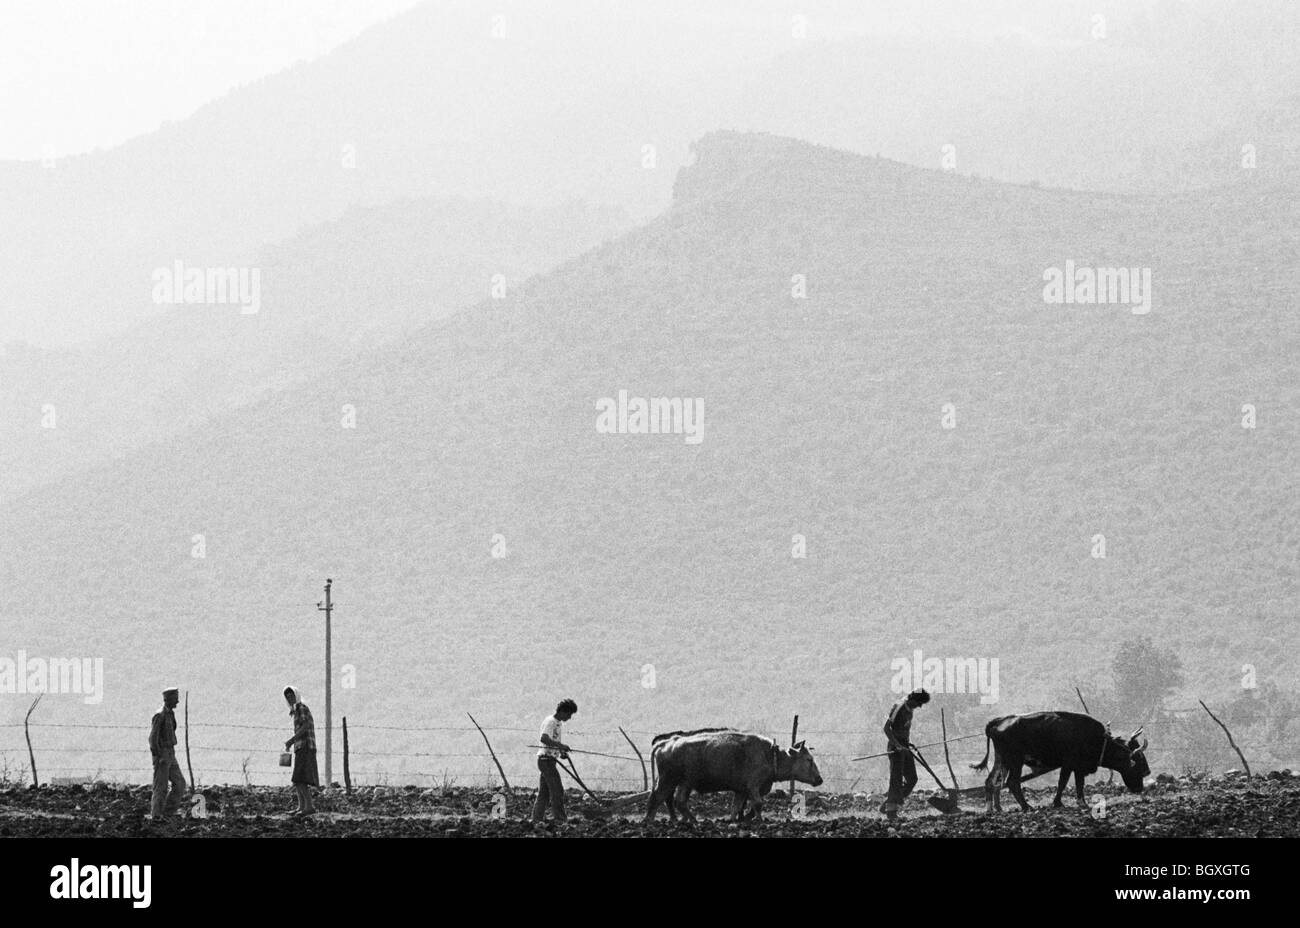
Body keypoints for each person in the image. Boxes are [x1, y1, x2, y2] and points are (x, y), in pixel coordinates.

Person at [881, 688, 930, 821]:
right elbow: (886, 728)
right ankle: (891, 811)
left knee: (912, 779)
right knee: (896, 779)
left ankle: (888, 803)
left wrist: (907, 744)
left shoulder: (911, 708)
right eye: (919, 703)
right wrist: (897, 745)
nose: (919, 707)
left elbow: (904, 729)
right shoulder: (899, 707)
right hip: (895, 748)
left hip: (905, 746)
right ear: (913, 699)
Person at [533, 698, 576, 824]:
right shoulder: (551, 722)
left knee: (544, 793)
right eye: (569, 714)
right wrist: (560, 746)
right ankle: (560, 819)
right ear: (563, 711)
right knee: (557, 790)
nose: (569, 717)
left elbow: (553, 742)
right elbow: (544, 738)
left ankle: (537, 819)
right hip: (546, 760)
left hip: (549, 760)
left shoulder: (557, 723)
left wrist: (560, 751)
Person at [149, 686, 187, 821]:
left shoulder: (170, 714)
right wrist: (159, 756)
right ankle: (157, 816)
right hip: (163, 755)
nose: (177, 701)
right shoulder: (160, 715)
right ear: (168, 699)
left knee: (180, 783)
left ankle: (168, 813)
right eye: (175, 698)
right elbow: (153, 739)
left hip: (171, 753)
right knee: (161, 786)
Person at [283, 686, 319, 816]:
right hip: (300, 747)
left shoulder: (301, 708)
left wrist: (291, 740)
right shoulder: (295, 711)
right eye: (287, 697)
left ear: (296, 696)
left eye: (291, 695)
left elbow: (305, 726)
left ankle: (309, 806)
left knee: (300, 778)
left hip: (305, 746)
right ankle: (301, 807)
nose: (290, 698)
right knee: (298, 779)